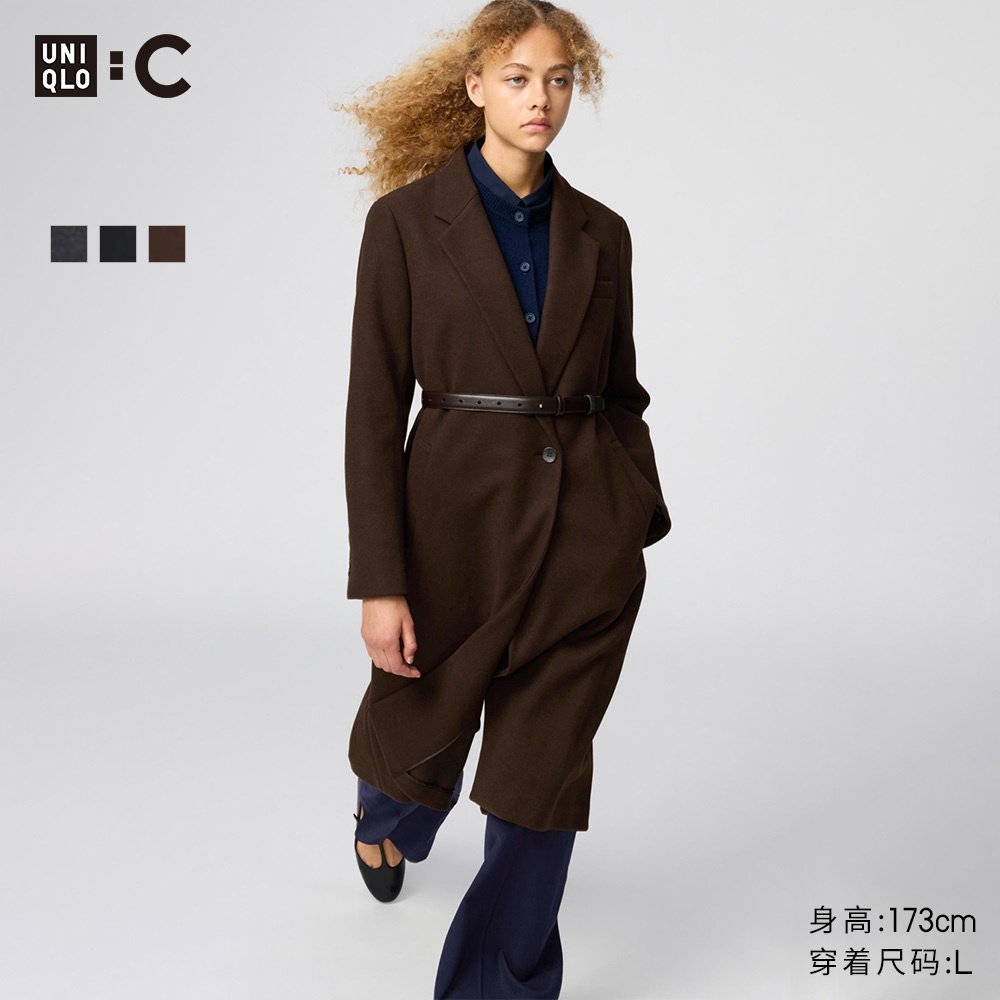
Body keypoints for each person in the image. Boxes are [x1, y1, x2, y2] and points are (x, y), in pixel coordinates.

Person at [333, 1, 671, 996]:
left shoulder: (602, 233)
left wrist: (631, 508)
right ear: (475, 84)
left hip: (583, 543)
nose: (541, 99)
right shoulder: (404, 224)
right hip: (452, 531)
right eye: (519, 78)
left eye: (558, 79)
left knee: (541, 779)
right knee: (413, 741)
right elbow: (372, 409)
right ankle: (384, 818)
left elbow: (621, 389)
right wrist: (380, 580)